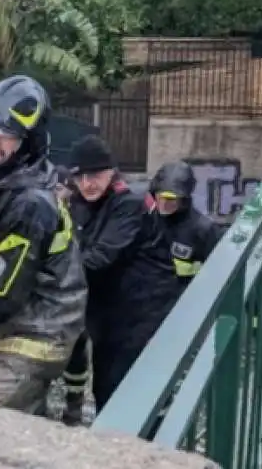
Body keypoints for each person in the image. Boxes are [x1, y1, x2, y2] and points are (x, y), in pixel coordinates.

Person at [0, 75, 88, 414]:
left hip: (35, 337)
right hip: (21, 328)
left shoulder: (29, 203)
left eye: (6, 136)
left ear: (28, 142)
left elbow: (2, 292)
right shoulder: (10, 187)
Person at [96, 160, 223, 406]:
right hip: (136, 308)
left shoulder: (201, 230)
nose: (166, 204)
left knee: (159, 377)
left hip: (177, 312)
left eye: (172, 199)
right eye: (161, 197)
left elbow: (217, 273)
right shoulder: (143, 217)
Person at [61, 135, 150, 419]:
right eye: (80, 176)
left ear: (112, 172)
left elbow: (101, 256)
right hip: (92, 299)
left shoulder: (127, 205)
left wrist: (52, 276)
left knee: (113, 381)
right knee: (84, 363)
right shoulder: (76, 203)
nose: (87, 183)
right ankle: (78, 408)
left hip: (126, 307)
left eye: (95, 175)